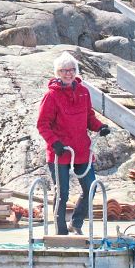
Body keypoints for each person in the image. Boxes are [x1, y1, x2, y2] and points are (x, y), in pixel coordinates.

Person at [36, 52, 111, 235]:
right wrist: (54, 143)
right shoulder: (51, 96)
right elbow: (42, 124)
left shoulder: (83, 92)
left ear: (75, 71)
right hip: (60, 152)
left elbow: (89, 118)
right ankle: (61, 232)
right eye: (64, 71)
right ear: (58, 73)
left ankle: (76, 223)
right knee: (62, 194)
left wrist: (100, 127)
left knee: (90, 188)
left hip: (81, 150)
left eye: (71, 70)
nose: (68, 74)